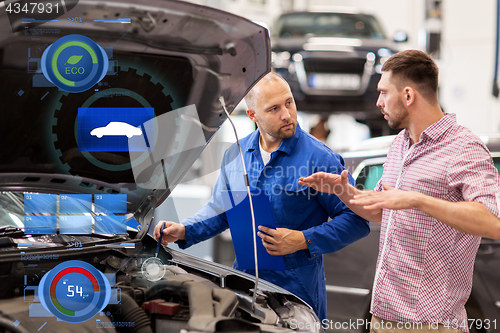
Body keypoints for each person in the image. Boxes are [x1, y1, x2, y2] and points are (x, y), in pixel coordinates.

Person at [299, 50, 500, 332]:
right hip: (382, 317)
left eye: (383, 92)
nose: (378, 101)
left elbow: (492, 222)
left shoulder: (463, 148)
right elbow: (381, 210)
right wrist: (344, 192)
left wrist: (416, 200)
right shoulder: (399, 145)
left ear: (408, 96)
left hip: (431, 324)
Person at [153, 72, 370, 322]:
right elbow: (222, 210)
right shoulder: (236, 153)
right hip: (243, 286)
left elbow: (357, 220)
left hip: (296, 292)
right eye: (274, 108)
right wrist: (184, 229)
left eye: (289, 102)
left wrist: (303, 239)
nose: (287, 114)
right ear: (253, 115)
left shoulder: (320, 159)